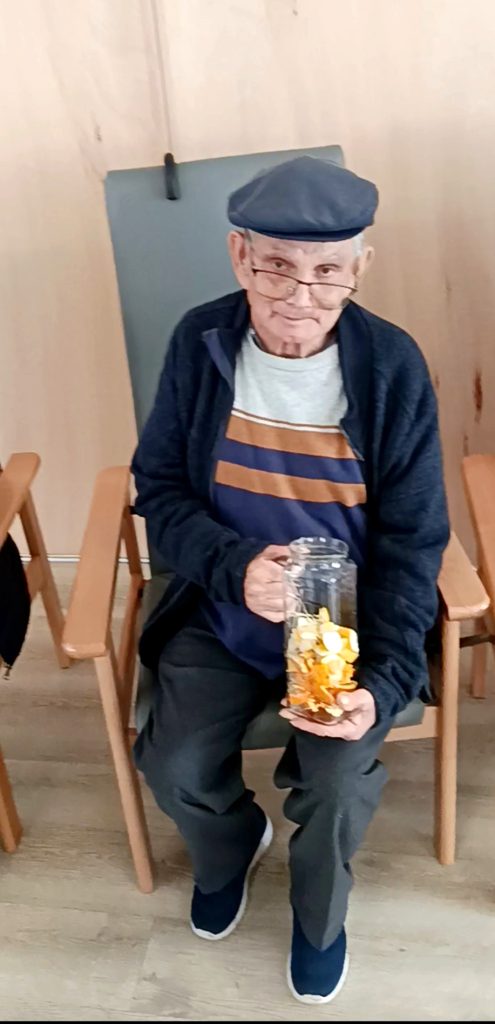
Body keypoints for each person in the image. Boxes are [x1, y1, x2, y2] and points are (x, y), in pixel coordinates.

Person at [131, 155, 449, 1005]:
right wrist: (233, 567)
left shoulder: (390, 365)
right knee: (173, 765)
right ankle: (233, 846)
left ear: (359, 268)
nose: (300, 296)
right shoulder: (201, 341)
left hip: (343, 631)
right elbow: (158, 488)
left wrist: (383, 681)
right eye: (276, 266)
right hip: (224, 609)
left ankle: (318, 918)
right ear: (240, 256)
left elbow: (415, 539)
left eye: (327, 272)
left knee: (336, 785)